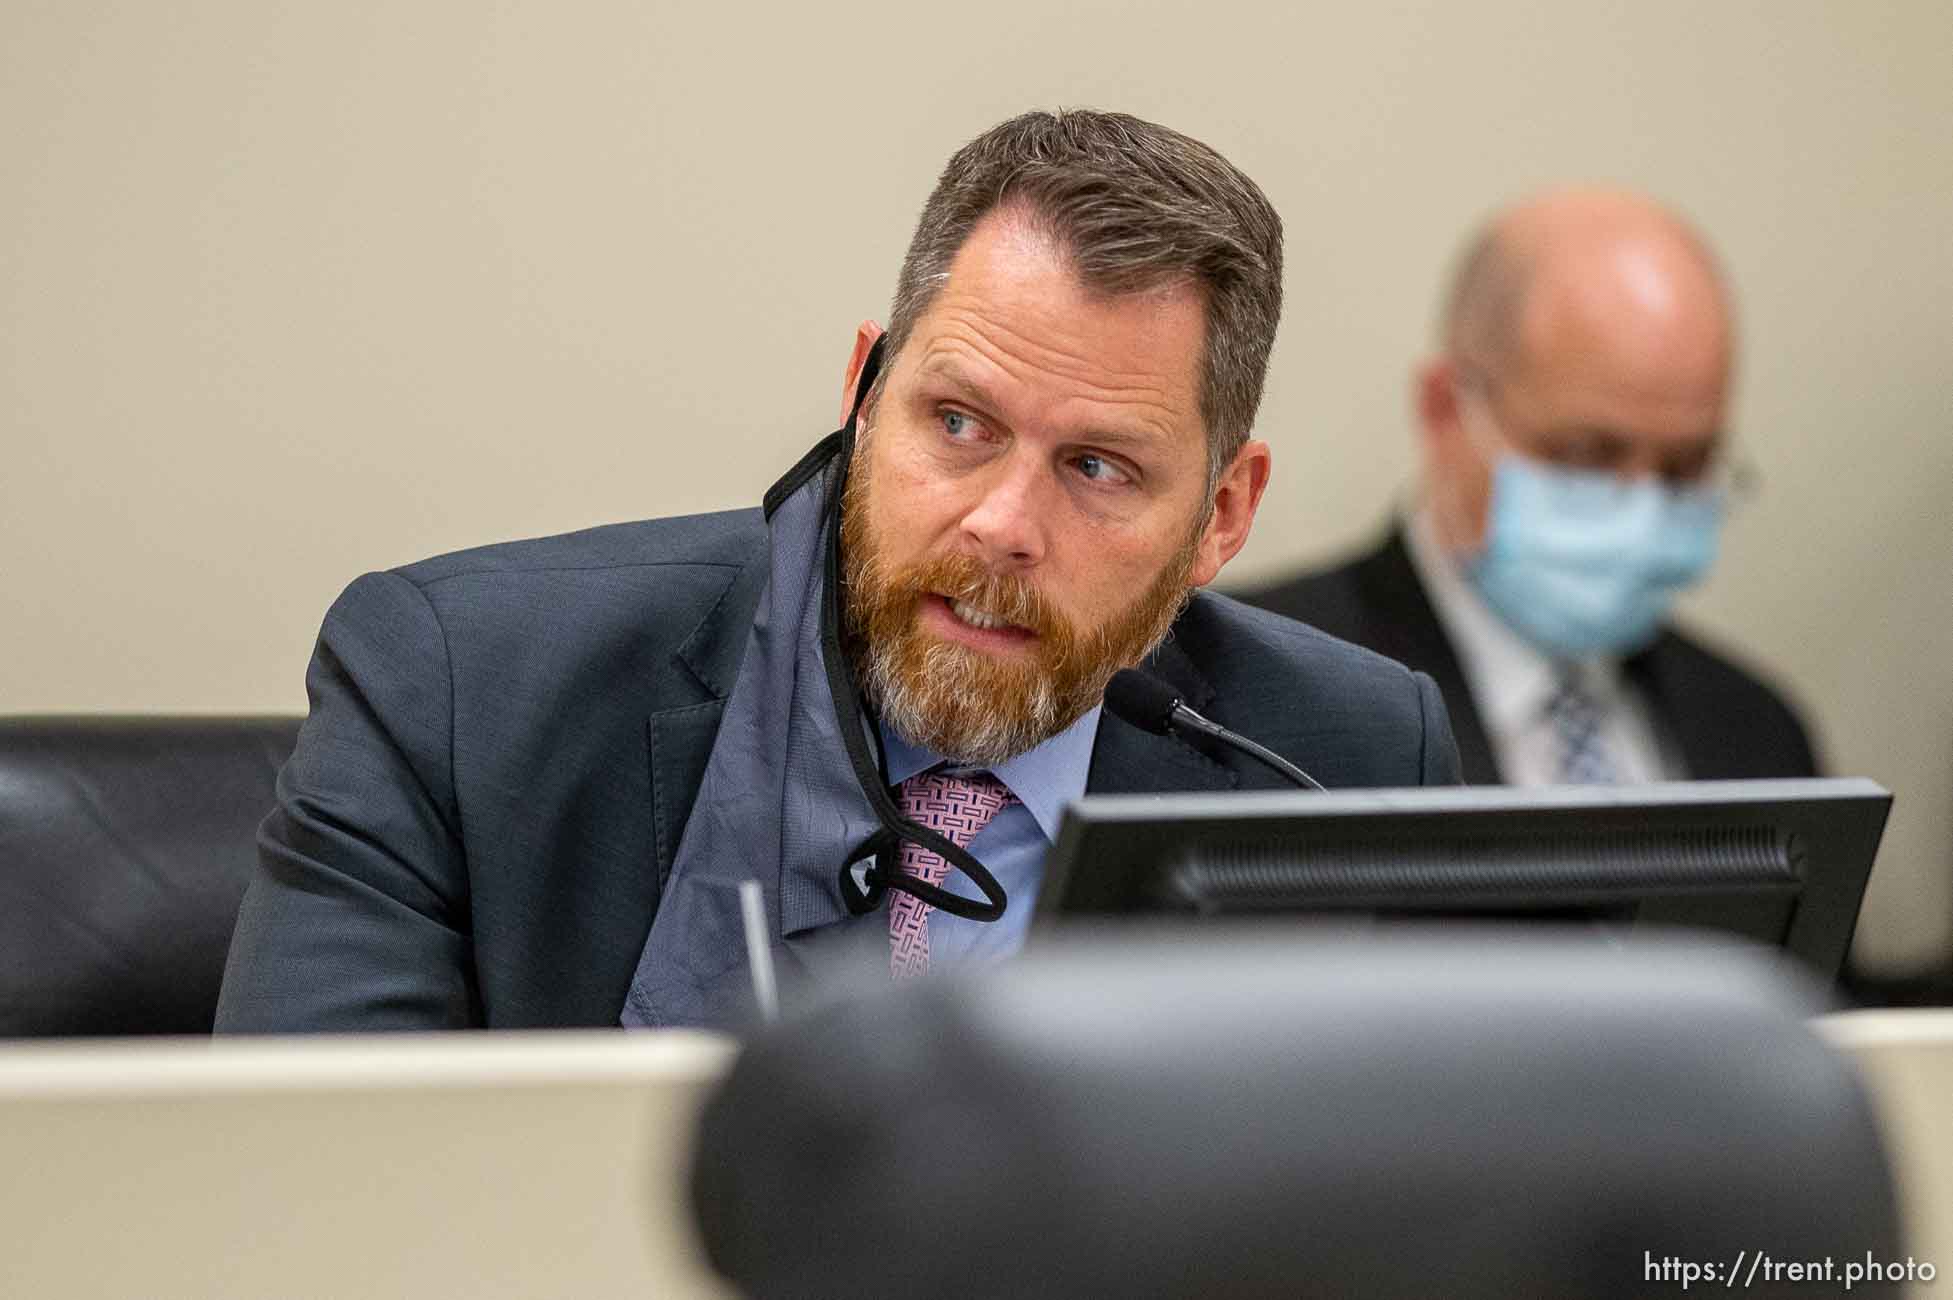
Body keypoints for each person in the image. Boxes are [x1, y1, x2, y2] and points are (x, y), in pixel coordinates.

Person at [215, 109, 1461, 1033]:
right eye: (959, 424)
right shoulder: (457, 691)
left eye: (1097, 467)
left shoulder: (1343, 757)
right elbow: (298, 1204)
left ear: (1223, 515)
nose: (1000, 525)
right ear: (866, 394)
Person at [1238, 189, 1818, 787]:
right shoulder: (1247, 691)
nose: (1640, 511)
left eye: (1684, 466)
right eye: (1587, 455)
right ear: (1445, 410)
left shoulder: (1757, 731)